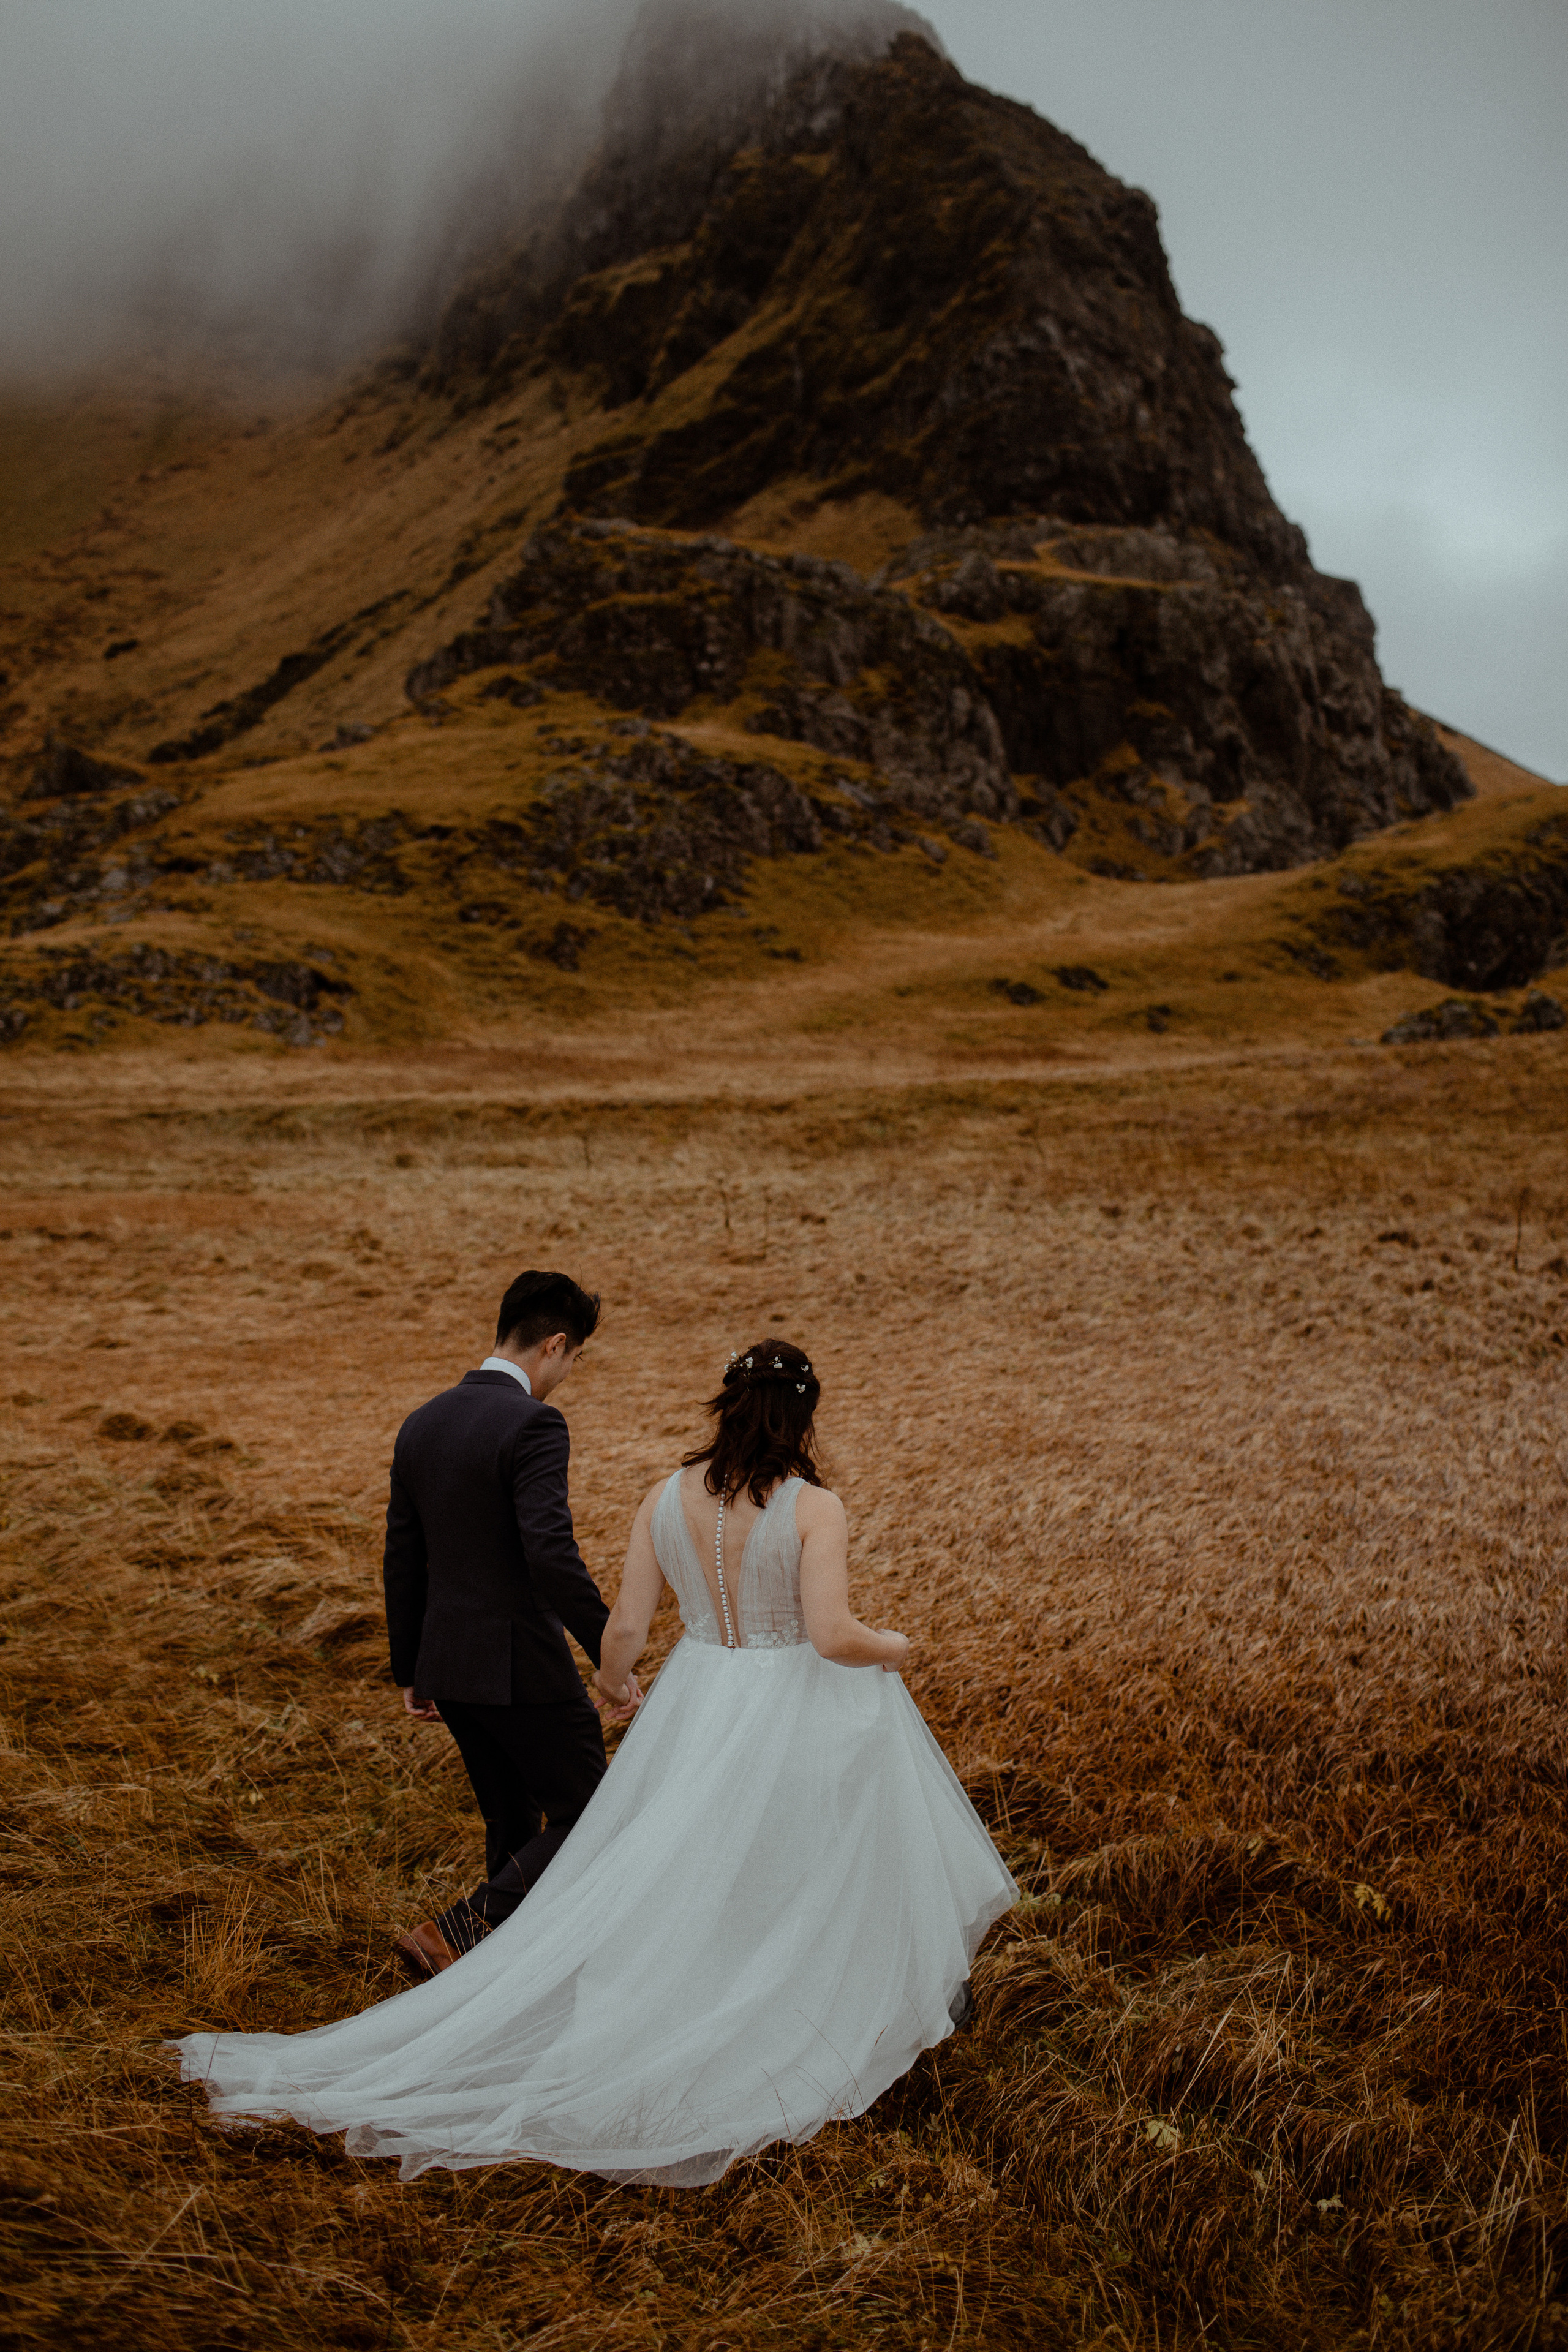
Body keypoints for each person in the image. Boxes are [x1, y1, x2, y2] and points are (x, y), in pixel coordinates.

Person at [172, 1339, 1016, 2185]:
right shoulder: (814, 1508)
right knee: (804, 1855)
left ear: (727, 1405)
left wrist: (616, 1685)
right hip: (791, 1703)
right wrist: (894, 1646)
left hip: (698, 1695)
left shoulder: (665, 1496)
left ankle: (697, 1991)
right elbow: (831, 1636)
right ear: (802, 1416)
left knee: (689, 1857)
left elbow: (626, 1628)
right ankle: (802, 2001)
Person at [380, 1268, 635, 1980]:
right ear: (555, 1344)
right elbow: (550, 1553)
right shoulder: (533, 1423)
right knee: (594, 1814)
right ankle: (455, 1933)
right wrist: (609, 1653)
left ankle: (495, 1978)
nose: (568, 1373)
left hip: (449, 1665)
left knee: (512, 1822)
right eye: (574, 1357)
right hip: (521, 1664)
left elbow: (403, 1555)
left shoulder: (423, 1421)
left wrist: (413, 1666)